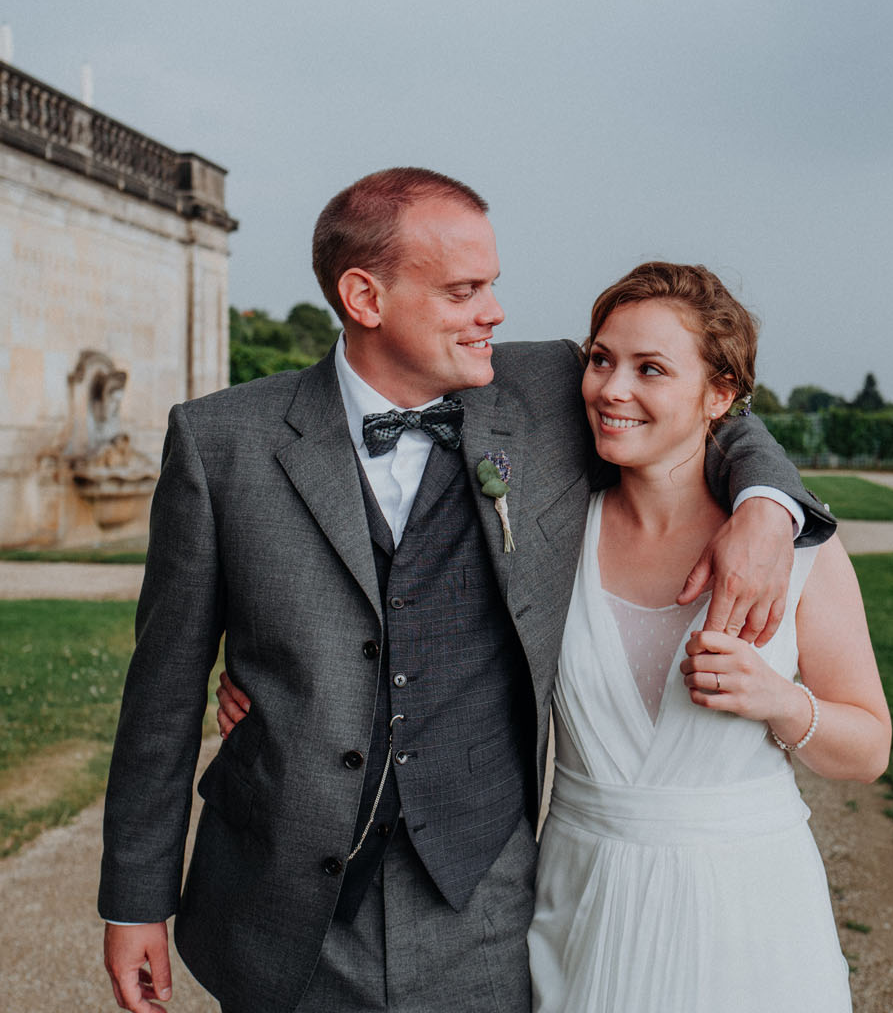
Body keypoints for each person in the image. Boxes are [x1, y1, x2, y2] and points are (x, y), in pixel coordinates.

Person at [100, 169, 834, 1013]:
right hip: (276, 902)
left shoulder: (552, 392)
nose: (495, 310)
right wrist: (134, 900)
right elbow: (159, 696)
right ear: (365, 296)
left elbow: (711, 402)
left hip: (482, 905)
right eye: (463, 290)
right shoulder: (221, 441)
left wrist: (767, 509)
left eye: (493, 284)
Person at [222, 262, 890, 1011]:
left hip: (745, 908)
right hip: (580, 900)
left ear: (720, 395)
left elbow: (868, 749)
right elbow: (413, 627)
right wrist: (279, 685)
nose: (611, 389)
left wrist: (780, 700)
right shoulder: (549, 533)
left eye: (651, 369)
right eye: (601, 359)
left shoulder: (796, 551)